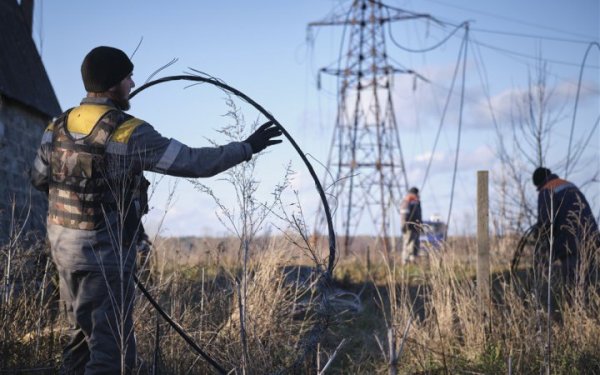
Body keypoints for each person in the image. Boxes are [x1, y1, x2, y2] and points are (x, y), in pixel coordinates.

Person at [30, 46, 282, 374]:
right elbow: (194, 162)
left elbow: (38, 179)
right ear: (112, 85)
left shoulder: (56, 127)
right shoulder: (128, 132)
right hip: (104, 260)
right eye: (127, 77)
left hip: (63, 253)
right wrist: (247, 147)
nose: (133, 83)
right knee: (111, 356)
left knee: (78, 344)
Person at [532, 167, 599, 285]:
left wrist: (537, 236)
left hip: (570, 245)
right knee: (593, 284)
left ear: (539, 184)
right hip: (593, 240)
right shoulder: (570, 185)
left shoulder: (546, 190)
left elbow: (546, 222)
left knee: (573, 287)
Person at [401, 187, 422, 264]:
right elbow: (404, 215)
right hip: (409, 228)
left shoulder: (416, 202)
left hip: (415, 228)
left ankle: (412, 260)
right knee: (408, 244)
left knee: (414, 245)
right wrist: (405, 225)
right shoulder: (407, 202)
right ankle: (405, 262)